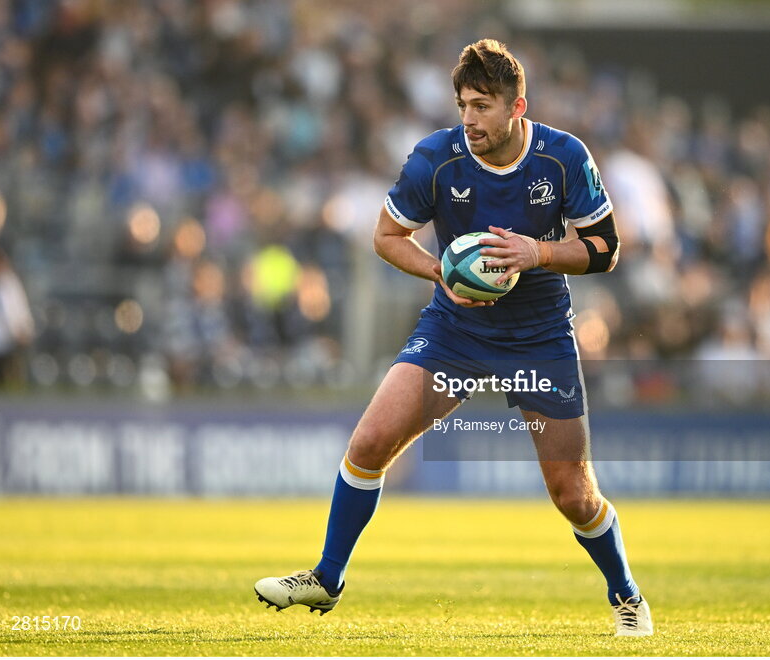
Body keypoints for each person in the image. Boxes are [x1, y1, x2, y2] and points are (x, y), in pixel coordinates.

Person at [254, 39, 652, 637]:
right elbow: (387, 237)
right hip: (456, 328)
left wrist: (537, 252)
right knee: (369, 443)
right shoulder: (434, 160)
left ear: (518, 106)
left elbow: (606, 249)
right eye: (463, 104)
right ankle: (327, 578)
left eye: (483, 106)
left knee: (572, 493)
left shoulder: (564, 157)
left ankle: (626, 595)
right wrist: (442, 271)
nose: (469, 119)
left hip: (539, 336)